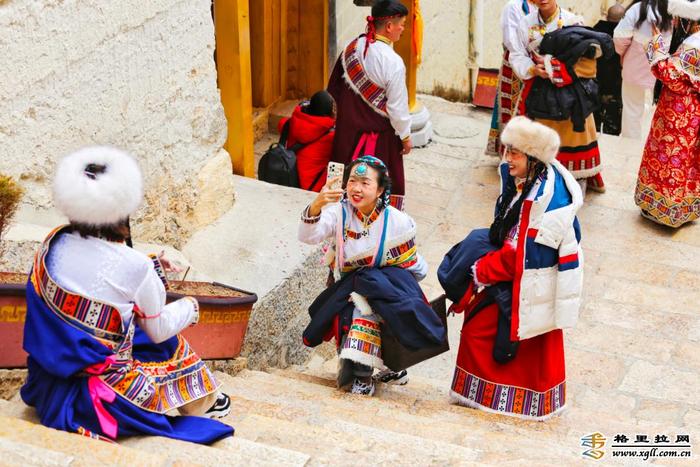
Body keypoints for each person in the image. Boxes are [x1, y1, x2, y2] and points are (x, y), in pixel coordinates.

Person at [21, 147, 233, 443]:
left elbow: (100, 280)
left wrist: (152, 265)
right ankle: (205, 402)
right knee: (169, 341)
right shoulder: (135, 266)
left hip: (47, 383)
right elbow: (157, 329)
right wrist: (191, 307)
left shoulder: (53, 242)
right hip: (107, 397)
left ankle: (206, 400)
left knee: (136, 327)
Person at [444, 117, 583, 420]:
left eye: (514, 154)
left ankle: (498, 399)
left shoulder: (546, 199)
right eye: (506, 152)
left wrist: (481, 269)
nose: (507, 160)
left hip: (525, 281)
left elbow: (523, 255)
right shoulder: (528, 183)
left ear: (533, 158)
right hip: (515, 272)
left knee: (478, 332)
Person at [298, 156, 445, 396]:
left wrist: (388, 286)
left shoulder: (399, 222)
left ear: (379, 190)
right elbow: (308, 236)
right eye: (352, 181)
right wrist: (316, 206)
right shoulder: (339, 214)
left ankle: (367, 376)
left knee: (377, 308)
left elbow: (416, 267)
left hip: (385, 287)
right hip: (349, 287)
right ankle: (366, 372)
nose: (356, 188)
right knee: (357, 309)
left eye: (365, 183)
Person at [509, 0, 609, 193]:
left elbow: (585, 58)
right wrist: (533, 69)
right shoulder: (525, 23)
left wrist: (555, 68)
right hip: (538, 90)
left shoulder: (573, 21)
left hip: (571, 93)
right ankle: (538, 182)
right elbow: (516, 55)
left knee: (573, 140)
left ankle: (573, 186)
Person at [327, 0, 411, 210]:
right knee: (375, 188)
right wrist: (406, 137)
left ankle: (338, 212)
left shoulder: (352, 47)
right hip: (379, 141)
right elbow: (397, 108)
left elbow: (334, 87)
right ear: (389, 26)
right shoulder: (393, 62)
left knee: (345, 180)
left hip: (347, 134)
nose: (402, 28)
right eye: (401, 23)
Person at [636, 0, 700, 227]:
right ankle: (684, 208)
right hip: (692, 109)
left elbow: (668, 73)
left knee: (669, 157)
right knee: (687, 158)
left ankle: (664, 210)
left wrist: (656, 43)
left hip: (679, 110)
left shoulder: (694, 44)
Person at [614, 0, 673, 139]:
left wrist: (624, 54)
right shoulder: (676, 10)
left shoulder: (637, 9)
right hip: (663, 70)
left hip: (634, 68)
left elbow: (619, 37)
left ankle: (630, 148)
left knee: (632, 112)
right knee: (657, 112)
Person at [486, 0, 534, 157]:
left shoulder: (545, 6)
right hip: (515, 64)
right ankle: (510, 156)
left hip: (536, 64)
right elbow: (511, 41)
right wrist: (527, 63)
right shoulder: (513, 8)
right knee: (513, 110)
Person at [278, 90, 336, 192]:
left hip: (287, 175)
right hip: (311, 186)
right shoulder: (330, 137)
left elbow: (281, 124)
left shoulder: (290, 124)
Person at [593, 3, 625, 135]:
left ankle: (595, 129)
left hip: (597, 79)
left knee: (595, 112)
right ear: (624, 19)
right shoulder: (625, 34)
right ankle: (611, 132)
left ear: (607, 16)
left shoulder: (596, 30)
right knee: (613, 115)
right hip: (617, 81)